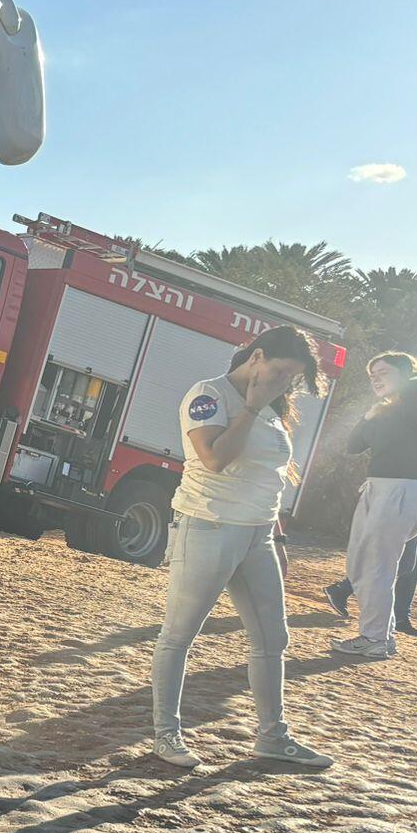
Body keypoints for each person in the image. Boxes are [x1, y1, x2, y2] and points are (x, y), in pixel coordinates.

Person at [150, 324, 331, 770]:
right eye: (283, 371)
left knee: (273, 638)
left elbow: (269, 479)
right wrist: (250, 407)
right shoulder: (209, 395)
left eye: (293, 377)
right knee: (179, 635)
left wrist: (277, 536)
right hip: (209, 528)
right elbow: (214, 459)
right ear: (258, 357)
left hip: (258, 535)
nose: (287, 383)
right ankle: (166, 735)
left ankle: (273, 736)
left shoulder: (272, 408)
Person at [326, 352, 417, 657]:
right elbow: (353, 446)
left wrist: (410, 385)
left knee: (378, 567)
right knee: (359, 565)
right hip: (376, 488)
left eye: (382, 372)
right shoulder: (389, 409)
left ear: (405, 374)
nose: (375, 379)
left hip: (402, 490)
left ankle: (373, 639)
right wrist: (370, 413)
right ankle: (383, 635)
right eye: (372, 374)